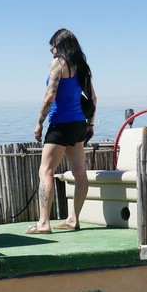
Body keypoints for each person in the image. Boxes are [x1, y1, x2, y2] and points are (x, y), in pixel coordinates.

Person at [26, 28, 96, 234]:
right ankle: (73, 219)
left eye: (53, 48)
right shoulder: (82, 66)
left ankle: (43, 223)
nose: (52, 53)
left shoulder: (58, 64)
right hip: (78, 125)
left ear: (60, 46)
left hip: (60, 124)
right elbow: (93, 99)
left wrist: (39, 123)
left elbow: (50, 96)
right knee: (80, 172)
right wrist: (90, 124)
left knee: (45, 172)